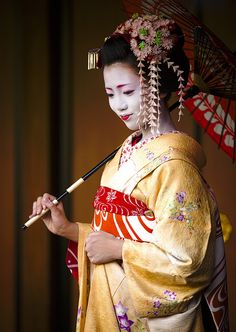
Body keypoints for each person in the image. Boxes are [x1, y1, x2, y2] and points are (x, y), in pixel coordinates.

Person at [30, 14, 228, 332]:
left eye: (127, 91)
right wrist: (68, 229)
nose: (119, 105)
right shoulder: (125, 153)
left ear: (157, 85)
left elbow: (189, 266)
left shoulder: (176, 166)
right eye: (110, 94)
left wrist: (120, 249)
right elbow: (110, 234)